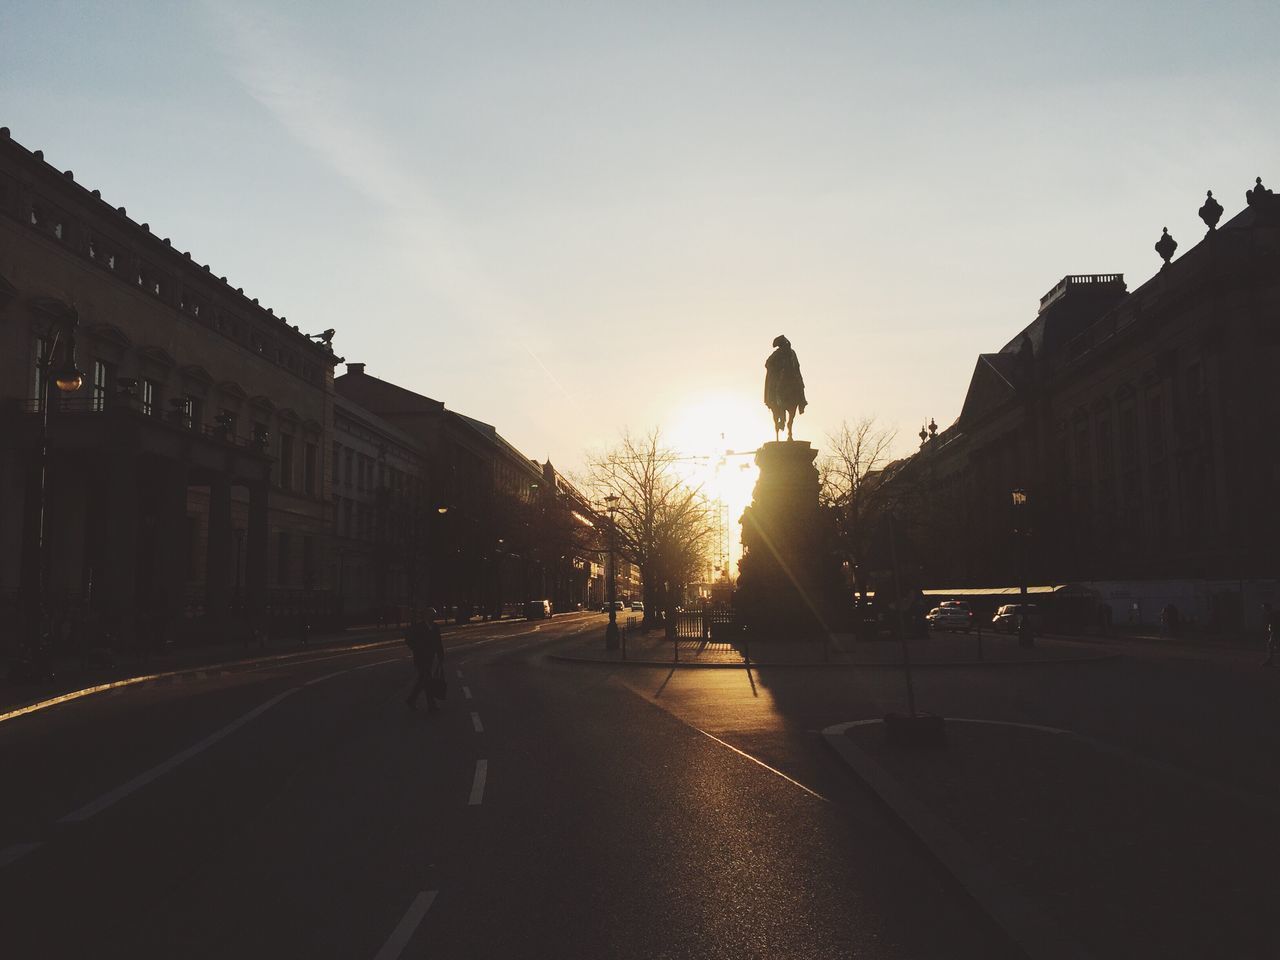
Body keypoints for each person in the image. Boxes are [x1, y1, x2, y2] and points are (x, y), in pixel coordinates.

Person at [405, 608, 445, 712]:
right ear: (426, 616)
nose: (434, 617)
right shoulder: (418, 627)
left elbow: (438, 642)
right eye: (432, 615)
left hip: (430, 658)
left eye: (434, 615)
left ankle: (411, 699)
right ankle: (431, 705)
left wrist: (441, 655)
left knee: (422, 680)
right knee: (427, 680)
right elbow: (409, 640)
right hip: (420, 658)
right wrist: (417, 648)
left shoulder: (435, 627)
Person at [1262, 603, 1279, 667]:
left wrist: (1271, 629)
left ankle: (1270, 661)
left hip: (1276, 632)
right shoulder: (1273, 613)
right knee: (1271, 645)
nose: (1263, 609)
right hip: (1275, 632)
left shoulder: (1271, 614)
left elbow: (1272, 624)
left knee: (1271, 645)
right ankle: (1270, 660)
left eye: (1264, 608)